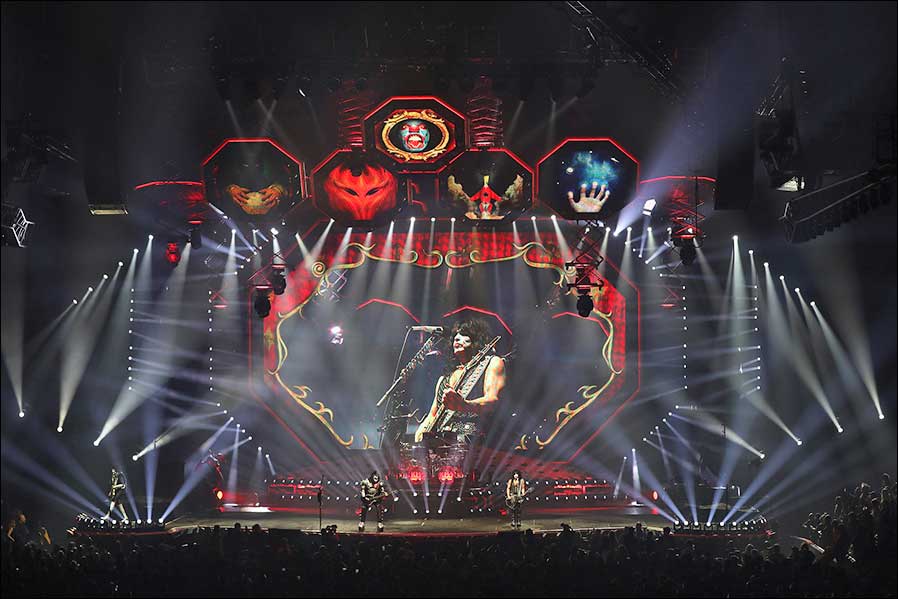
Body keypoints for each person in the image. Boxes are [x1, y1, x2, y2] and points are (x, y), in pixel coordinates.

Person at [414, 318, 506, 444]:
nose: (457, 338)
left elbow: (492, 400)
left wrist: (465, 405)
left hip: (475, 439)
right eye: (455, 337)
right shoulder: (444, 379)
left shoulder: (492, 362)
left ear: (476, 339)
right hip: (441, 442)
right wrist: (420, 434)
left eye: (463, 334)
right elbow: (433, 415)